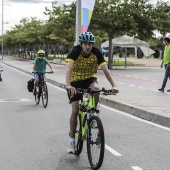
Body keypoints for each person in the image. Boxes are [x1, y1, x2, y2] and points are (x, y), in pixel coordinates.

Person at [65, 32, 119, 154]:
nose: (88, 46)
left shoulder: (96, 53)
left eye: (90, 44)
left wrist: (114, 85)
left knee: (96, 88)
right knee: (75, 110)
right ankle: (72, 141)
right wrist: (68, 85)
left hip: (89, 79)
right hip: (74, 81)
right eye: (85, 44)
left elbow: (106, 70)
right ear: (81, 44)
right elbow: (68, 69)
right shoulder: (75, 52)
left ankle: (94, 112)